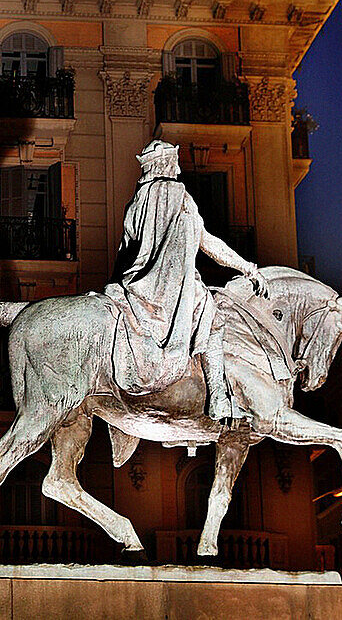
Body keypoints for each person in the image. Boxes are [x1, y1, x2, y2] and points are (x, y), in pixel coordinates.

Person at [104, 139, 268, 421]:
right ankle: (217, 397)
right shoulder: (180, 196)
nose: (178, 166)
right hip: (174, 287)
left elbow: (126, 247)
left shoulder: (137, 200)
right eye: (174, 161)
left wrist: (116, 285)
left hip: (137, 283)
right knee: (212, 316)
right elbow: (209, 244)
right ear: (168, 163)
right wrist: (247, 268)